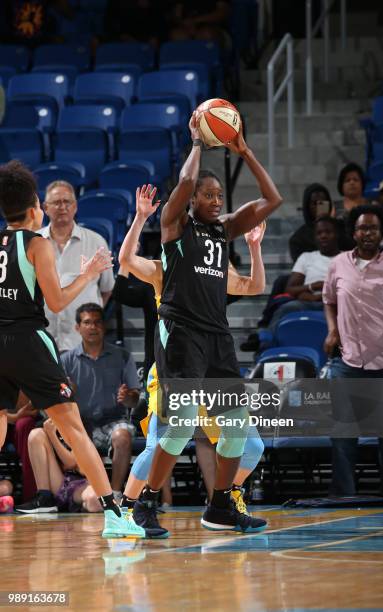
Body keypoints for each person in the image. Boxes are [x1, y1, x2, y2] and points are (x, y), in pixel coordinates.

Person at [122, 112, 282, 536]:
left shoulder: (223, 232)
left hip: (216, 338)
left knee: (234, 427)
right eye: (207, 195)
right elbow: (185, 186)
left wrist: (243, 150)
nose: (214, 200)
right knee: (177, 430)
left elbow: (272, 200)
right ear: (192, 201)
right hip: (180, 335)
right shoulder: (175, 228)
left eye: (218, 195)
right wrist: (197, 143)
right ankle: (145, 504)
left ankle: (221, 505)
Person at [0, 160, 144, 538]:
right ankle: (114, 514)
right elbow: (58, 301)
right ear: (35, 209)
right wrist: (90, 272)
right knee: (74, 428)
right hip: (28, 342)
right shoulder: (37, 244)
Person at [323, 204, 383, 501]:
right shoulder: (338, 265)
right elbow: (329, 300)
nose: (367, 233)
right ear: (353, 231)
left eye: (373, 228)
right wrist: (332, 330)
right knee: (343, 435)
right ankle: (345, 497)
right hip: (348, 362)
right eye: (362, 227)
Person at [61, 303, 140, 503]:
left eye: (97, 322)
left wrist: (128, 397)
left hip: (113, 420)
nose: (93, 327)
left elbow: (135, 399)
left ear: (103, 326)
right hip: (81, 423)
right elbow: (59, 398)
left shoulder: (122, 356)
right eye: (87, 322)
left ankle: (113, 495)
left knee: (123, 435)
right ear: (77, 328)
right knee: (71, 433)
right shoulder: (67, 360)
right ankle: (89, 494)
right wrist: (69, 393)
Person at [241, 215, 341, 352]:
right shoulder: (307, 257)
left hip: (336, 304)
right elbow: (291, 289)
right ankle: (264, 343)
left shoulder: (346, 258)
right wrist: (314, 286)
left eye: (328, 232)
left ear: (337, 234)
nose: (323, 236)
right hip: (308, 301)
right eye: (319, 233)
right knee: (285, 309)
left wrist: (321, 296)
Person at [37, 180, 115, 352]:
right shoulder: (33, 242)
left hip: (81, 343)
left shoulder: (96, 242)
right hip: (42, 339)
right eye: (56, 202)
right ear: (45, 207)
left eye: (67, 202)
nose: (62, 207)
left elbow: (107, 289)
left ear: (76, 206)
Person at [15, 418, 101, 514]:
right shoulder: (45, 425)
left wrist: (52, 435)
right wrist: (51, 432)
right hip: (60, 484)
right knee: (36, 434)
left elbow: (71, 463)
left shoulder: (80, 423)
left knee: (94, 501)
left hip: (81, 482)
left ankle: (81, 507)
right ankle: (44, 498)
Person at [5, 391, 38, 501]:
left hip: (19, 423)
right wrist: (15, 416)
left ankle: (31, 496)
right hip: (5, 420)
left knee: (25, 424)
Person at [288, 183, 334, 262]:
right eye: (315, 203)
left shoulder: (340, 229)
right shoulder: (298, 239)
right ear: (307, 206)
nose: (319, 206)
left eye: (322, 202)